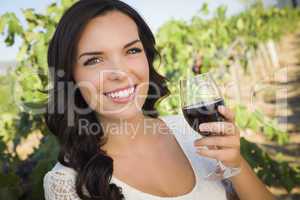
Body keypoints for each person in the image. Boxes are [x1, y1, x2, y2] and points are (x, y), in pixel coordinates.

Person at [43, 0, 275, 199]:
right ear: (70, 76)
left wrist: (236, 164)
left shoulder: (192, 132)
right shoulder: (65, 184)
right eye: (94, 60)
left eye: (132, 50)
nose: (120, 72)